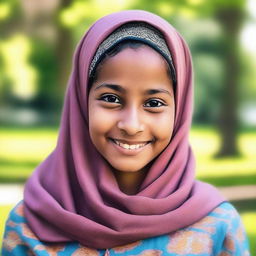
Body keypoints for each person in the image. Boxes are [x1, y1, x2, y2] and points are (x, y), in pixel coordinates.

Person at [2, 10, 250, 256]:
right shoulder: (28, 226)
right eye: (111, 99)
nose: (131, 125)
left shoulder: (217, 227)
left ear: (180, 109)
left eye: (153, 103)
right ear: (81, 102)